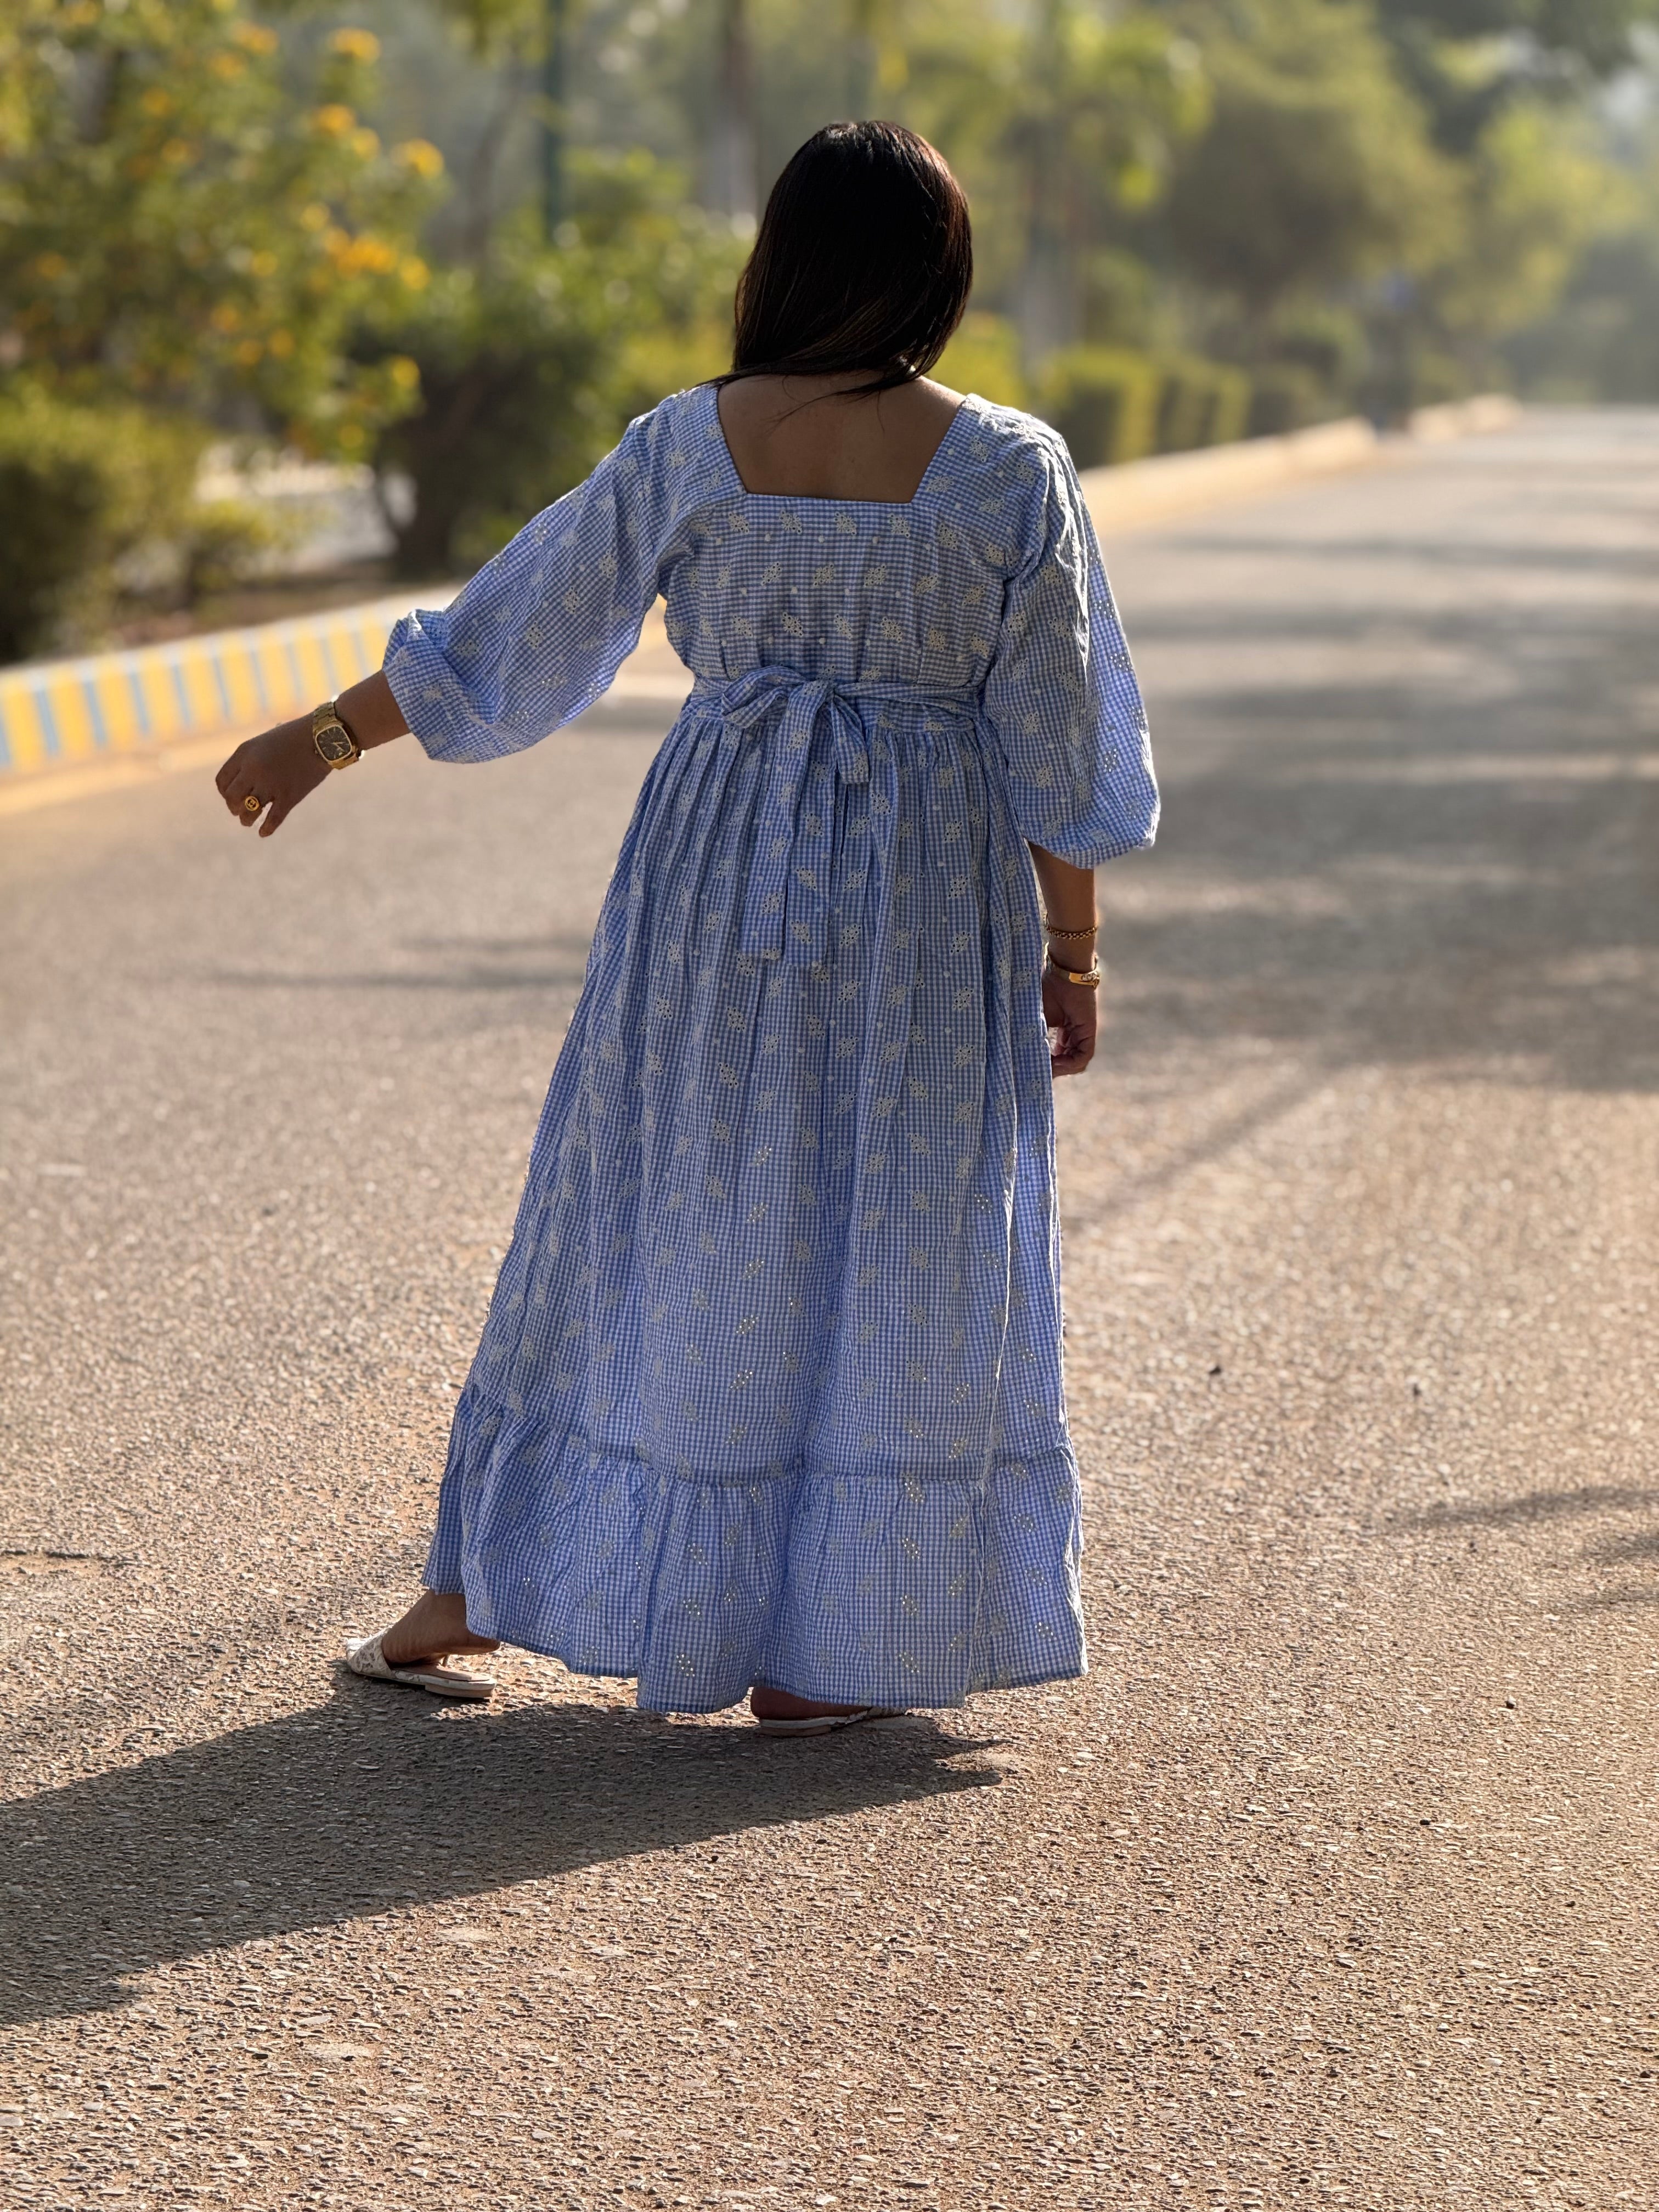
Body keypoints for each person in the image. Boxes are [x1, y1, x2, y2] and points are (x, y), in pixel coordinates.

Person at [215, 121, 1157, 1735]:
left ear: (777, 260)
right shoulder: (1013, 467)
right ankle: (828, 1640)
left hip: (719, 874)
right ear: (940, 274)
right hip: (930, 895)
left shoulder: (691, 445)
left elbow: (518, 630)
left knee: (648, 1204)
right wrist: (1073, 956)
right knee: (904, 1232)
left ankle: (470, 1589)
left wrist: (319, 739)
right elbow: (1056, 744)